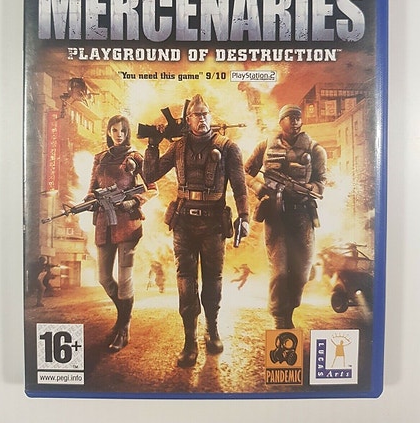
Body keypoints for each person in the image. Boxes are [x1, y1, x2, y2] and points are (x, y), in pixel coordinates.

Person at [144, 94, 249, 367]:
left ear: (210, 117)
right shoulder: (178, 148)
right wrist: (152, 145)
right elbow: (150, 175)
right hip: (184, 223)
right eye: (196, 115)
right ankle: (189, 341)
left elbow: (239, 186)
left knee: (213, 281)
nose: (201, 119)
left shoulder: (228, 147)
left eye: (205, 114)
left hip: (214, 223)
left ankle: (211, 330)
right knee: (185, 282)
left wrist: (245, 217)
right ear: (187, 120)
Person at [244, 104, 327, 329]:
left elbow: (321, 182)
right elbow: (245, 172)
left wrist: (308, 188)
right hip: (275, 216)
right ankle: (280, 319)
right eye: (290, 117)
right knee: (279, 271)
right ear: (281, 121)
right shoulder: (265, 145)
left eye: (298, 117)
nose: (295, 121)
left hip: (302, 216)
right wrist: (258, 187)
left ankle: (289, 309)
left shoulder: (315, 149)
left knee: (301, 273)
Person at [87, 114, 157, 352]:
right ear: (109, 132)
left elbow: (152, 188)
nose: (119, 135)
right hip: (104, 226)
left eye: (123, 131)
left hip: (127, 225)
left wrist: (133, 201)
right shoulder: (100, 158)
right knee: (104, 278)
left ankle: (124, 328)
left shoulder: (135, 157)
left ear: (127, 133)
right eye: (115, 130)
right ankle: (123, 316)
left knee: (124, 279)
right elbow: (92, 189)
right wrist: (90, 201)